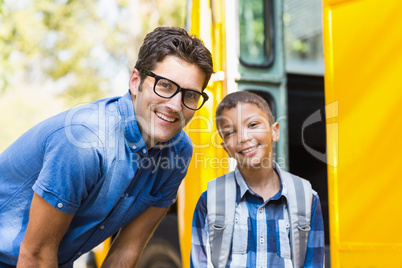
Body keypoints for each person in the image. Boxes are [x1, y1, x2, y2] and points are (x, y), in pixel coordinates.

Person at [0, 26, 213, 267]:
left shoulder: (179, 152)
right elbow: (36, 255)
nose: (176, 105)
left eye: (191, 95)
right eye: (165, 85)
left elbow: (127, 248)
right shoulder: (85, 141)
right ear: (135, 81)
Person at [190, 91, 324, 267]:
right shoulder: (210, 200)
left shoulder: (306, 197)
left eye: (253, 125)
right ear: (226, 149)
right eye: (230, 132)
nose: (244, 138)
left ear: (275, 131)